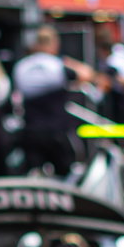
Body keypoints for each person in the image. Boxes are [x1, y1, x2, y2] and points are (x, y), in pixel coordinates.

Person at [11, 25, 93, 177]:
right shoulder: (56, 66)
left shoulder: (21, 66)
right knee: (67, 173)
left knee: (31, 174)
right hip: (56, 132)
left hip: (30, 129)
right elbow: (87, 74)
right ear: (54, 44)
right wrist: (68, 61)